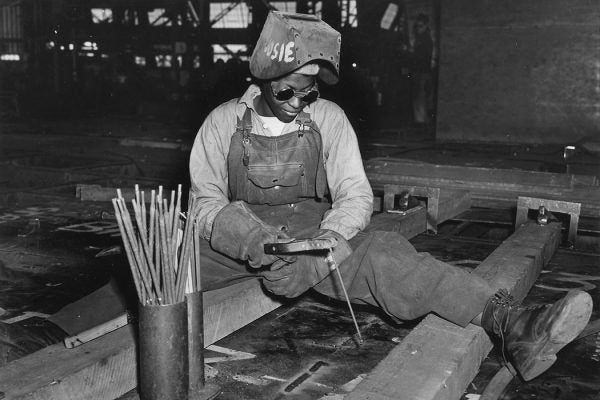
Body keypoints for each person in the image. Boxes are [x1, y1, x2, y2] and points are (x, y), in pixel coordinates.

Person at [189, 11, 592, 382]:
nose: (297, 104)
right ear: (263, 80)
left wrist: (319, 251)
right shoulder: (222, 122)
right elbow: (205, 203)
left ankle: (516, 326)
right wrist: (253, 240)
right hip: (237, 239)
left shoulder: (329, 119)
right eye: (286, 93)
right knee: (169, 264)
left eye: (308, 94)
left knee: (385, 254)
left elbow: (354, 195)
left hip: (310, 232)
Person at [409, 13, 435, 128]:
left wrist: (409, 54)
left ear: (425, 26)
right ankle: (421, 120)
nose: (418, 29)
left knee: (420, 97)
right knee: (421, 97)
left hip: (422, 72)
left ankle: (421, 122)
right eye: (417, 26)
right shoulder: (423, 39)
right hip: (421, 71)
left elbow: (421, 57)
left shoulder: (425, 40)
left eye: (420, 26)